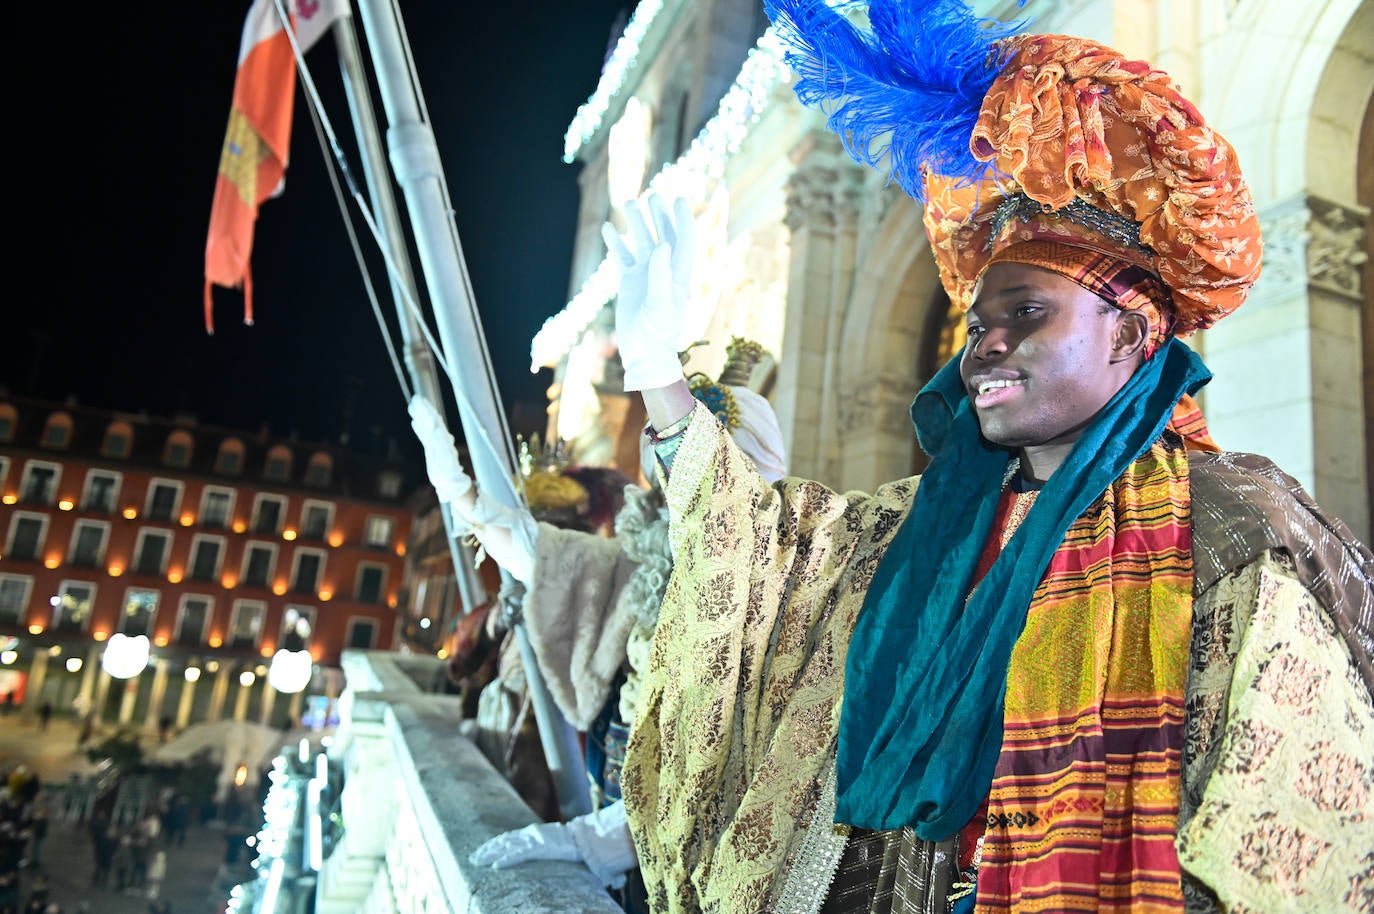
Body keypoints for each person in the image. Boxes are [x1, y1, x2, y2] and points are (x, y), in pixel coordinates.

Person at [603, 3, 1374, 913]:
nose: (985, 347)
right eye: (979, 322)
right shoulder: (914, 528)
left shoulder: (1234, 525)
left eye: (1028, 315)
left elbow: (1285, 836)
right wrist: (658, 374)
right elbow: (762, 555)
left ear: (1130, 338)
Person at [454, 340, 789, 912]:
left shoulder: (777, 588)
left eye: (701, 476)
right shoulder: (642, 561)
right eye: (670, 475)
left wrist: (599, 837)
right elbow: (552, 559)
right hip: (619, 819)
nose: (677, 497)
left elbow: (733, 757)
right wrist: (468, 501)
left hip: (703, 865)